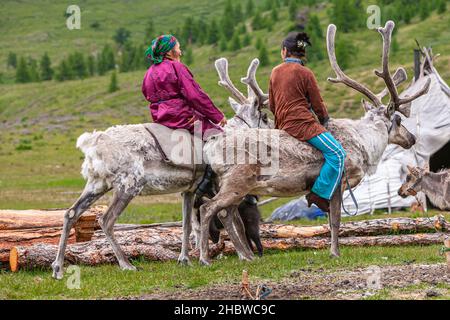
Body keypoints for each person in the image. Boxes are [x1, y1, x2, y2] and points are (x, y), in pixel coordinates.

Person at [268, 32, 346, 212]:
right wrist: (324, 120)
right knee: (338, 154)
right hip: (303, 125)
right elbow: (318, 103)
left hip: (283, 124)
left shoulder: (274, 72)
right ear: (301, 53)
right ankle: (318, 193)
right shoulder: (305, 72)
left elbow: (273, 105)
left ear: (284, 51)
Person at [142, 34, 226, 196]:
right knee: (218, 137)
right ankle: (207, 181)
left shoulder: (149, 73)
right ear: (170, 52)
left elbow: (146, 94)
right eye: (178, 48)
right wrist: (217, 116)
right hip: (182, 117)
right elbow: (195, 96)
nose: (180, 52)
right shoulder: (177, 68)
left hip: (160, 119)